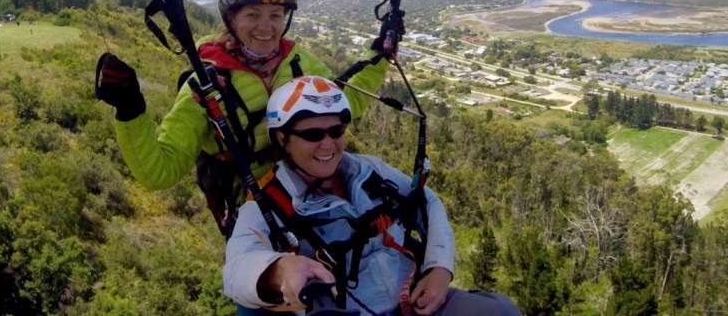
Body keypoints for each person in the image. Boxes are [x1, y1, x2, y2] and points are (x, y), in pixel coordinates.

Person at [96, 0, 390, 238]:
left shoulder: (298, 61)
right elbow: (159, 172)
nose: (266, 27)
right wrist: (130, 108)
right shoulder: (207, 81)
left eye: (275, 15)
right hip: (258, 208)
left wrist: (380, 53)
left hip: (310, 186)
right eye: (252, 15)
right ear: (231, 19)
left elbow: (343, 105)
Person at [223, 76, 521, 316]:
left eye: (336, 130)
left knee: (501, 310)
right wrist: (279, 270)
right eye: (313, 134)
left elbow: (426, 201)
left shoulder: (368, 171)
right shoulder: (267, 203)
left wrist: (439, 269)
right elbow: (237, 270)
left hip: (415, 299)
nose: (328, 145)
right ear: (282, 138)